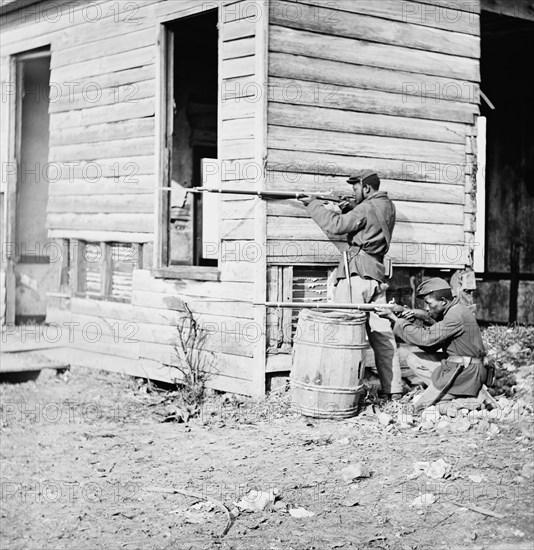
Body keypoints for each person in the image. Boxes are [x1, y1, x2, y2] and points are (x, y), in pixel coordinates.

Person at [299, 170, 403, 400]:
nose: (353, 192)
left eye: (356, 188)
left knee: (345, 335)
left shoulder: (365, 208)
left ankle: (341, 391)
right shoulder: (387, 205)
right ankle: (394, 389)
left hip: (356, 276)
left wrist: (313, 204)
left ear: (366, 188)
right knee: (383, 336)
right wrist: (350, 208)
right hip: (376, 277)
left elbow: (335, 225)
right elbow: (368, 226)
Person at [378, 277, 486, 411]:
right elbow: (432, 345)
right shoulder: (455, 310)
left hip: (466, 372)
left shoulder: (455, 315)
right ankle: (456, 393)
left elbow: (426, 339)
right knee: (413, 358)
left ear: (443, 301)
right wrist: (410, 317)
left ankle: (468, 394)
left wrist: (394, 319)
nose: (427, 308)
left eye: (429, 304)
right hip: (459, 366)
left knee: (417, 407)